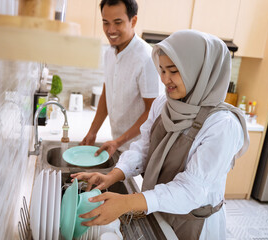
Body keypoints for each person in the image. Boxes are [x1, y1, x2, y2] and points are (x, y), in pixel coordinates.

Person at [72, 30, 250, 239]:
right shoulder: (163, 104)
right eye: (162, 70)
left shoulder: (222, 125)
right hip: (158, 208)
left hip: (194, 224)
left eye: (173, 71)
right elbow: (143, 148)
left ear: (198, 71)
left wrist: (127, 202)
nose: (165, 80)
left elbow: (190, 191)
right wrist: (112, 176)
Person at [80, 0, 162, 157]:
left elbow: (152, 111)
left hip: (141, 151)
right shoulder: (109, 52)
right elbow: (107, 92)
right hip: (118, 145)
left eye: (118, 22)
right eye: (106, 23)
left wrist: (119, 141)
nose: (110, 30)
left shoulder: (146, 58)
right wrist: (93, 131)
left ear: (133, 21)